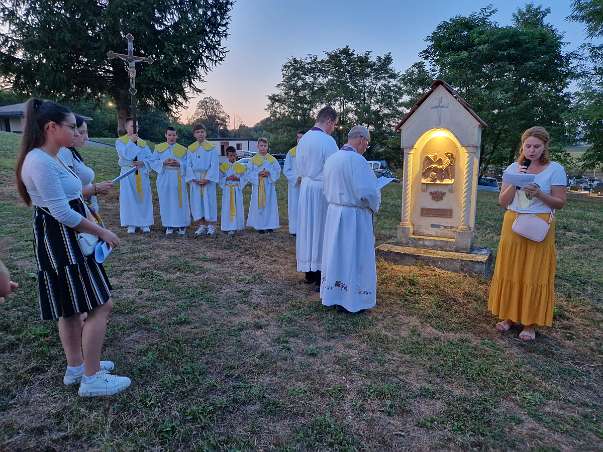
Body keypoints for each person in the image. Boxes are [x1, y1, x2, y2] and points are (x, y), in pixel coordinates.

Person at [15, 98, 130, 396]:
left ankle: (77, 367)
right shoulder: (39, 161)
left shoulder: (54, 157)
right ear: (51, 128)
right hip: (62, 240)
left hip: (64, 237)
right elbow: (63, 213)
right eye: (71, 127)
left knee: (70, 307)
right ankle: (91, 378)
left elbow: (74, 192)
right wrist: (102, 231)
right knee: (99, 305)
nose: (77, 132)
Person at [488, 126, 567, 341]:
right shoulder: (514, 167)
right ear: (522, 145)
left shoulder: (555, 169)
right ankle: (509, 317)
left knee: (534, 271)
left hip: (538, 223)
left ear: (544, 147)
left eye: (536, 146)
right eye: (528, 145)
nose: (531, 150)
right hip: (513, 220)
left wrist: (539, 193)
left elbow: (560, 203)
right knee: (511, 269)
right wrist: (515, 183)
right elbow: (503, 202)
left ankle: (530, 323)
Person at [321, 126, 380, 312]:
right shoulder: (357, 161)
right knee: (353, 256)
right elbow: (368, 192)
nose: (365, 147)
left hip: (334, 213)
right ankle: (353, 299)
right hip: (354, 217)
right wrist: (375, 203)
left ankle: (335, 294)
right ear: (361, 139)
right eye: (367, 144)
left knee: (336, 255)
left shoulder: (332, 159)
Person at [295, 106, 338, 289]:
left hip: (306, 187)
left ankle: (309, 272)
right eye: (334, 124)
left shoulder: (303, 139)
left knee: (307, 228)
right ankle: (320, 273)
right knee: (320, 229)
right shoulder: (327, 141)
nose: (334, 128)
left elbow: (299, 165)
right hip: (321, 188)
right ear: (328, 121)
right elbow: (335, 168)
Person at [58, 115, 113, 213]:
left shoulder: (71, 152)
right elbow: (66, 193)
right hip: (75, 214)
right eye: (81, 132)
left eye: (86, 132)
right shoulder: (64, 152)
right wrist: (95, 188)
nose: (86, 137)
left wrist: (95, 189)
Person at [115, 118, 155, 234]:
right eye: (132, 126)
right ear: (126, 127)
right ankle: (131, 223)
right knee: (129, 198)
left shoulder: (143, 143)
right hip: (128, 173)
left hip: (141, 172)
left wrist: (143, 163)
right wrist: (131, 142)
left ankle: (144, 223)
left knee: (143, 197)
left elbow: (151, 159)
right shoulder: (120, 141)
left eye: (136, 126)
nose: (134, 128)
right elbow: (126, 155)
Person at [151, 127, 191, 235]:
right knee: (166, 200)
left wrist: (179, 164)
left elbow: (188, 163)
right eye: (169, 135)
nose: (172, 137)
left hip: (178, 176)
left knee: (180, 201)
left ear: (177, 136)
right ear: (165, 135)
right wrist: (163, 162)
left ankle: (181, 225)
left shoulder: (183, 149)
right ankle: (169, 225)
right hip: (164, 177)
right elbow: (153, 161)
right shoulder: (159, 148)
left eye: (174, 135)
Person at [186, 124, 220, 236]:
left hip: (207, 179)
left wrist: (207, 178)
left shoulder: (211, 148)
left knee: (209, 201)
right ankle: (201, 225)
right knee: (197, 202)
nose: (200, 134)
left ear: (205, 133)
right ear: (194, 134)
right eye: (198, 132)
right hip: (195, 179)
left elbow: (214, 165)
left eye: (202, 132)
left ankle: (211, 226)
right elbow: (188, 165)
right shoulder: (190, 148)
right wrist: (194, 178)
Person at [246, 138, 281, 233]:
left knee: (269, 204)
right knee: (258, 205)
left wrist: (269, 173)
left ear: (268, 147)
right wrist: (258, 173)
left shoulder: (272, 159)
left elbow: (277, 171)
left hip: (269, 186)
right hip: (258, 186)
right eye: (261, 146)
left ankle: (270, 225)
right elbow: (248, 173)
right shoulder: (253, 160)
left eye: (265, 146)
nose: (263, 148)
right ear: (257, 146)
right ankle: (259, 226)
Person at [219, 146, 248, 234]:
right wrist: (226, 179)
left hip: (236, 189)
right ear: (227, 156)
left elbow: (245, 178)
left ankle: (238, 226)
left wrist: (238, 179)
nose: (232, 157)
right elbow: (219, 178)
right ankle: (227, 227)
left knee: (238, 207)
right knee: (227, 208)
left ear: (236, 155)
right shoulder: (223, 166)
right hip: (228, 190)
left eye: (234, 155)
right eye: (230, 155)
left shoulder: (240, 166)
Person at [283, 131, 304, 236]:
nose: (300, 139)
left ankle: (305, 229)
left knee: (305, 207)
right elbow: (286, 169)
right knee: (294, 206)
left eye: (302, 137)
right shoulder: (291, 153)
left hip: (306, 184)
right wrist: (296, 178)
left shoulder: (309, 152)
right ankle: (294, 230)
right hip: (295, 186)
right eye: (298, 137)